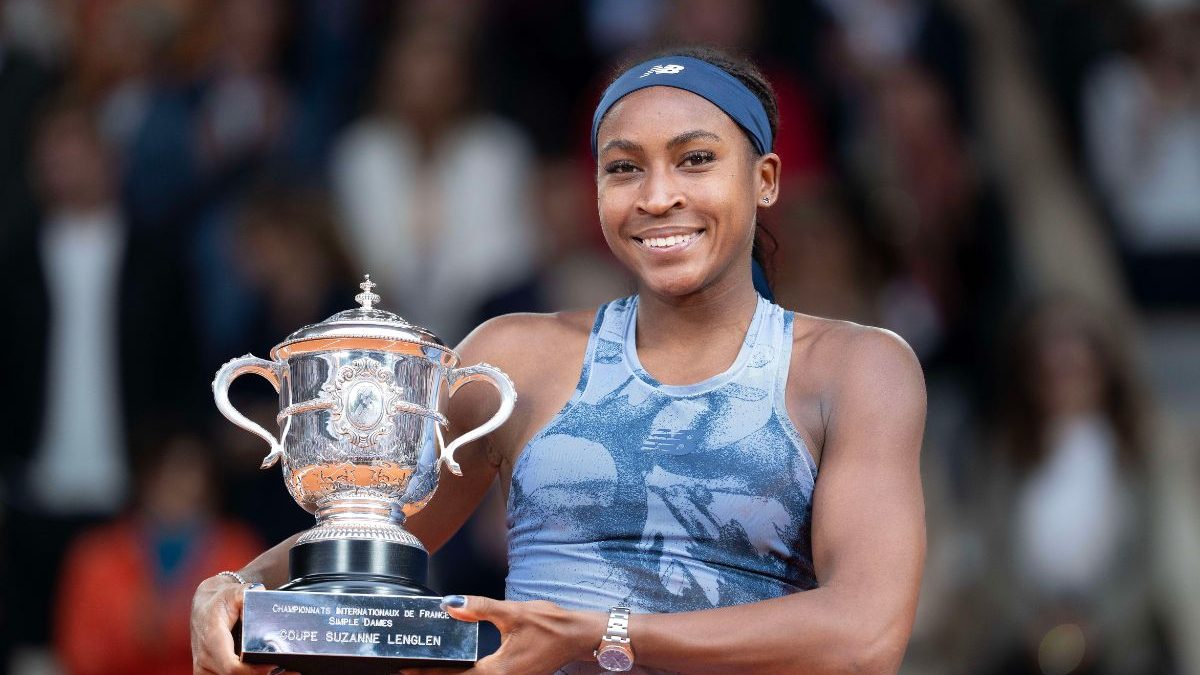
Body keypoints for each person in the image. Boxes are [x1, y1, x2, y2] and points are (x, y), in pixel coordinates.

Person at [191, 47, 926, 674]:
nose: (658, 195)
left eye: (696, 159)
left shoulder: (856, 368)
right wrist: (236, 590)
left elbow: (865, 636)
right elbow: (367, 538)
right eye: (624, 168)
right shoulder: (515, 356)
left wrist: (600, 635)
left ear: (765, 179)